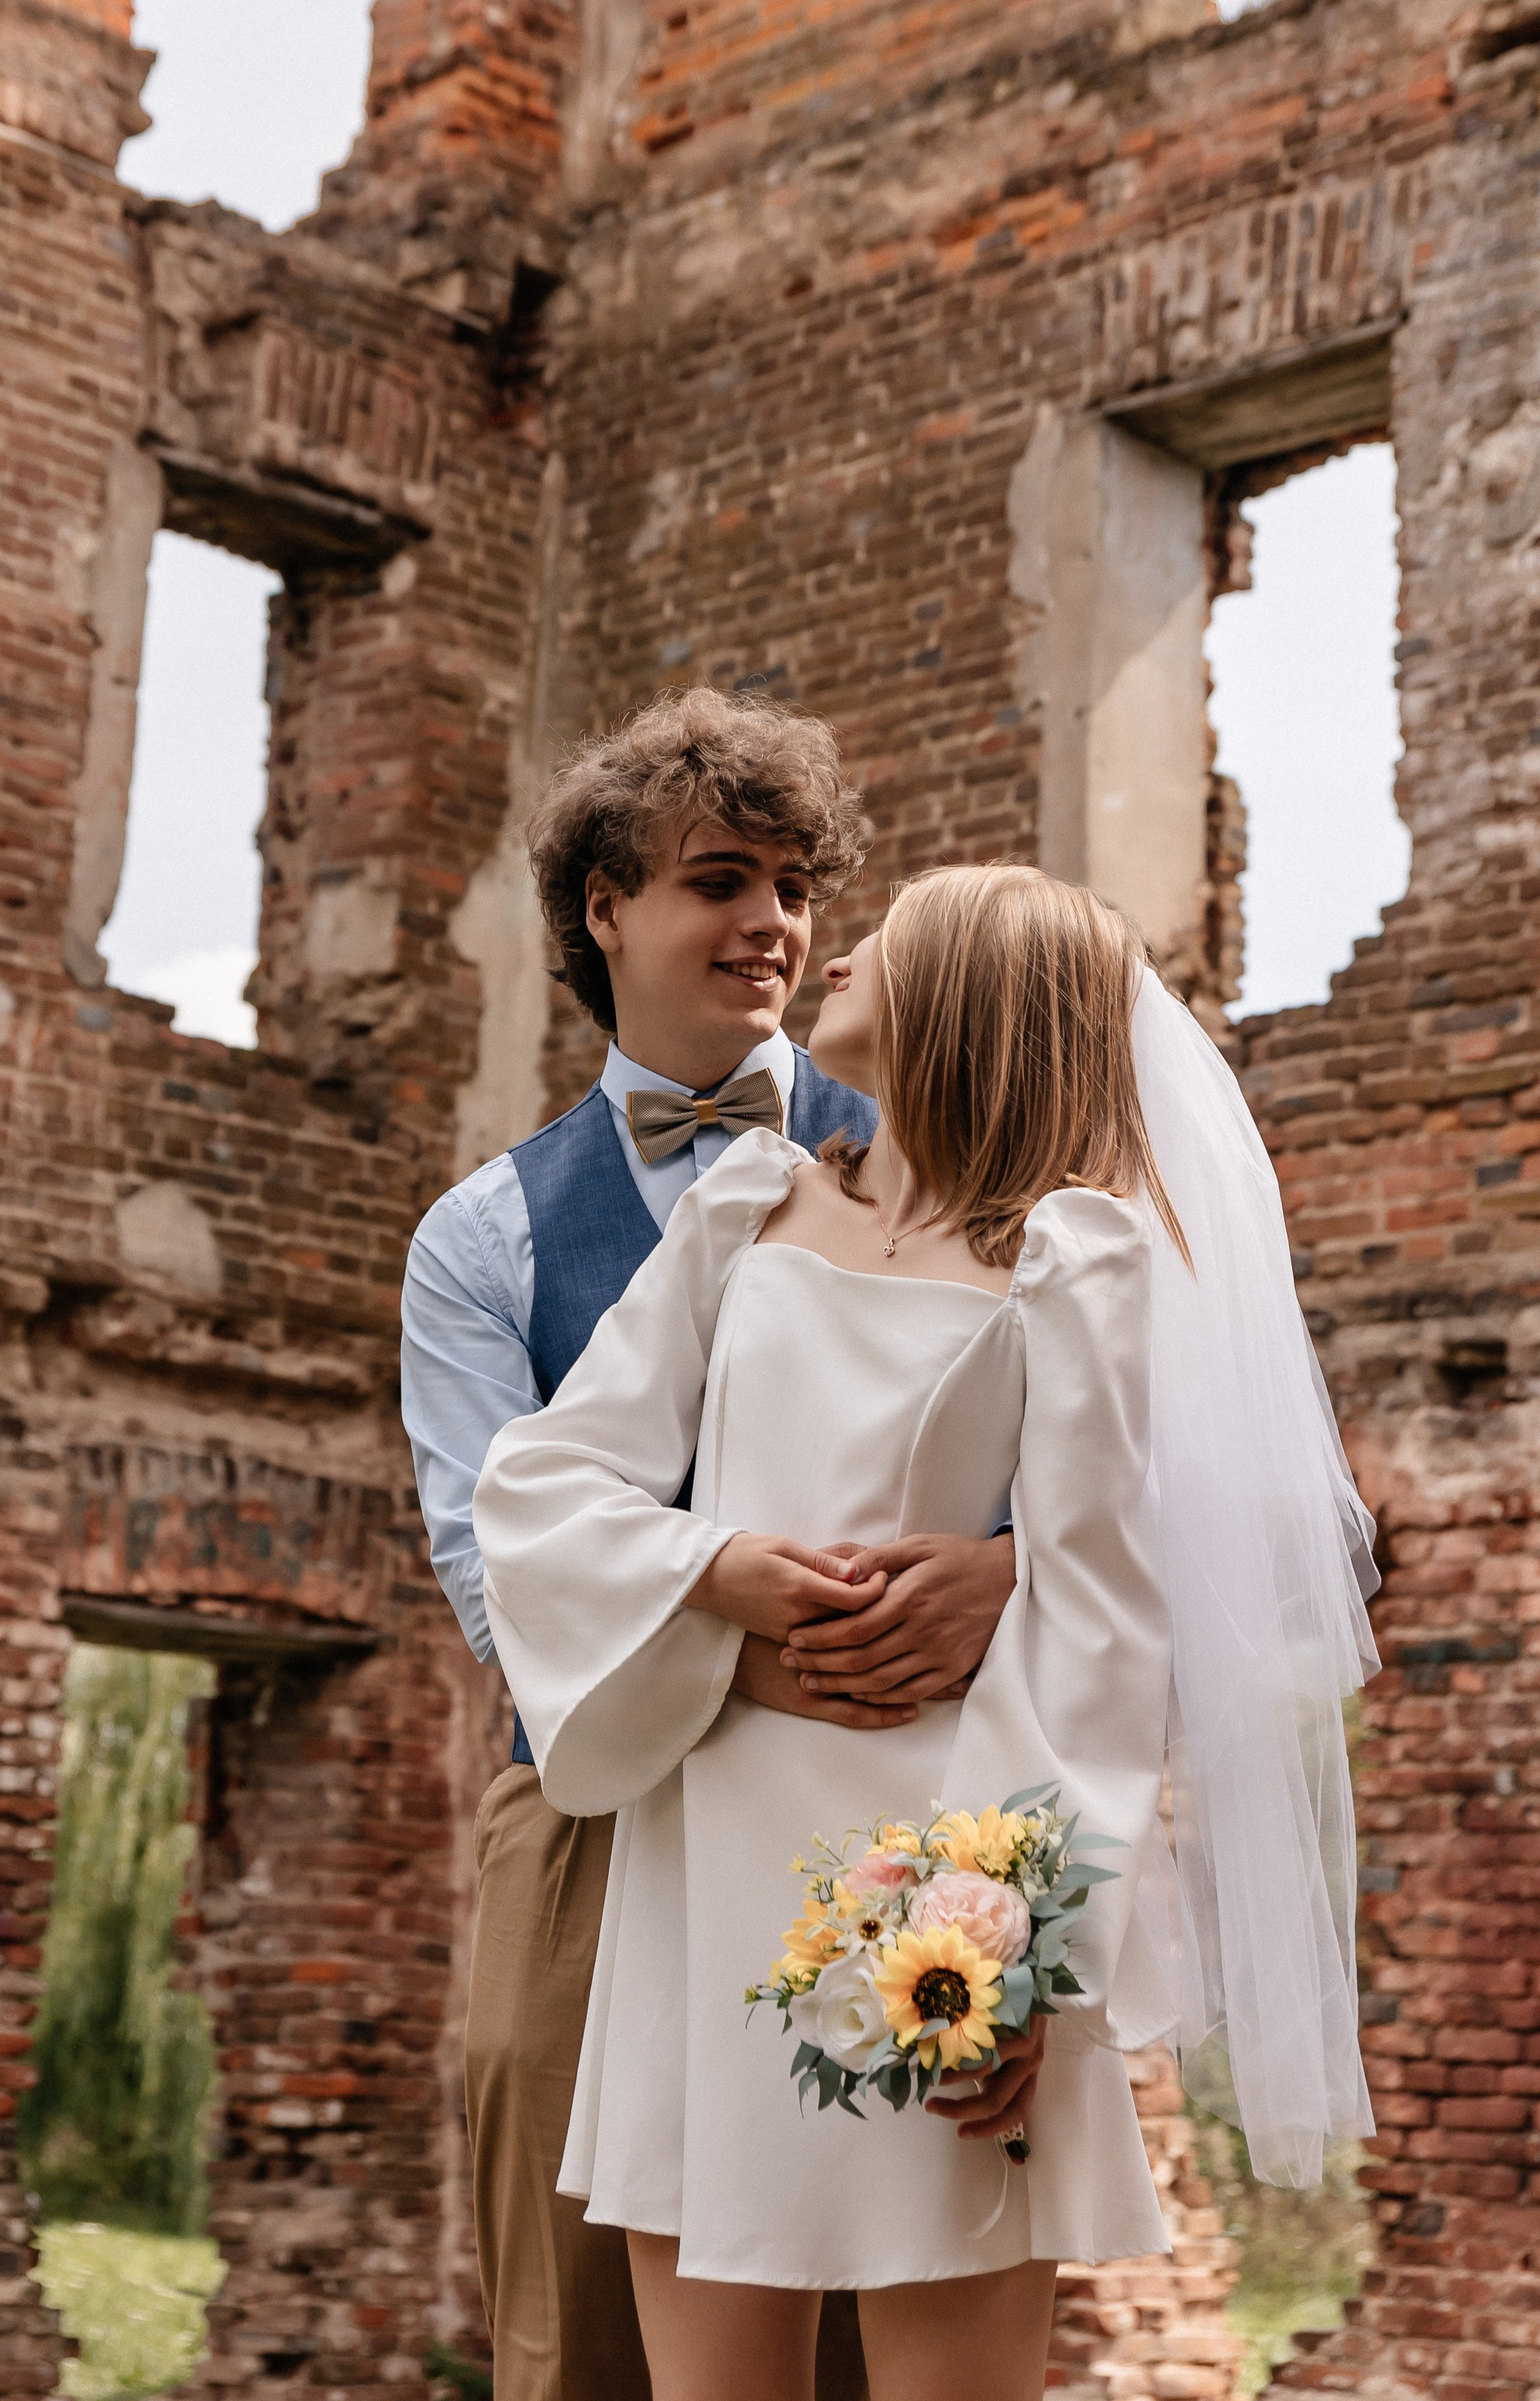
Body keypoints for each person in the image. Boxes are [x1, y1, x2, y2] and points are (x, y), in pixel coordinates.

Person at [474, 863, 1378, 2401]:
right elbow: (543, 1486)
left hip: (939, 1894)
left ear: (965, 993)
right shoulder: (744, 1208)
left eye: (894, 929)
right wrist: (720, 1570)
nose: (843, 946)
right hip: (710, 1859)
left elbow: (1097, 1626)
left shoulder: (1070, 1259)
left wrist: (1021, 1956)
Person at [400, 693, 1020, 2401]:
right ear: (602, 907)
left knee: (895, 2292)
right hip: (597, 1800)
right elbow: (484, 1571)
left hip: (892, 1792)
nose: (772, 923)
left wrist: (1009, 1569)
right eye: (716, 881)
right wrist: (741, 1640)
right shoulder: (484, 1235)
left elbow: (1130, 1453)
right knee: (589, 2334)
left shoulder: (948, 1129)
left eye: (795, 885)